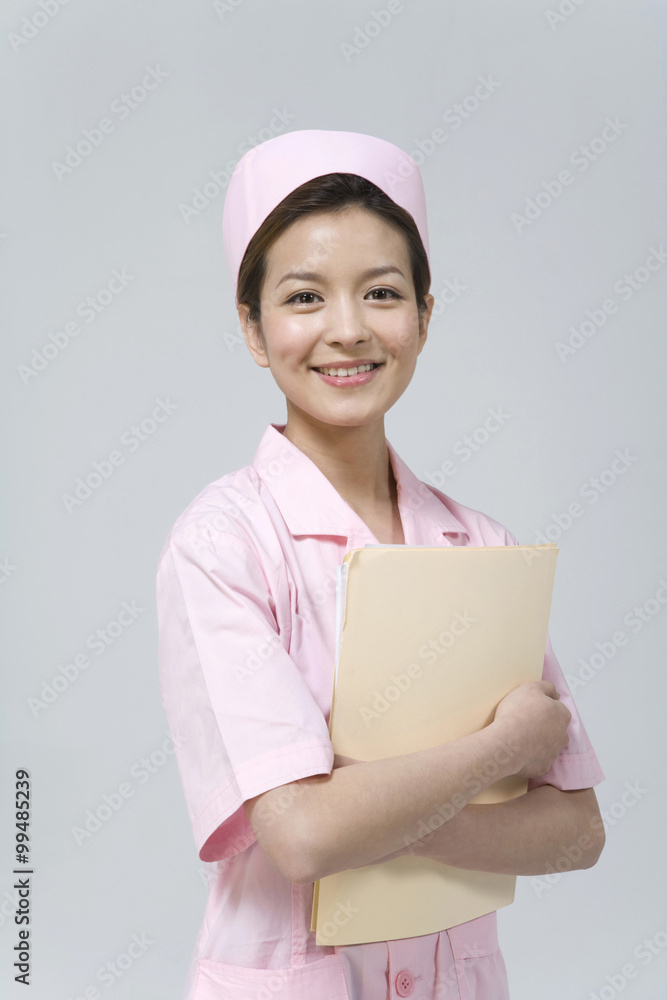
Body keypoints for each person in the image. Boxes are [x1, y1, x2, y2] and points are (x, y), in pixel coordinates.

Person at [156, 129, 606, 1000]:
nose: (348, 330)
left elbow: (577, 833)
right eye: (302, 297)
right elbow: (302, 840)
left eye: (382, 292)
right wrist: (499, 752)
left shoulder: (480, 546)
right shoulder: (223, 544)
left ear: (425, 317)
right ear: (252, 327)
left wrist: (364, 806)